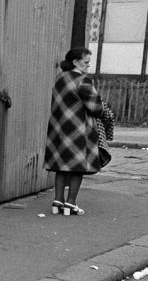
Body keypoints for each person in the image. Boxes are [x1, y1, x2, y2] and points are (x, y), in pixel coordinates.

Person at [43, 47, 104, 215]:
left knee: (61, 166)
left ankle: (57, 201)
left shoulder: (60, 78)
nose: (88, 66)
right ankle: (71, 203)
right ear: (76, 62)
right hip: (78, 130)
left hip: (58, 128)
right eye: (86, 62)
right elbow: (96, 107)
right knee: (77, 167)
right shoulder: (83, 81)